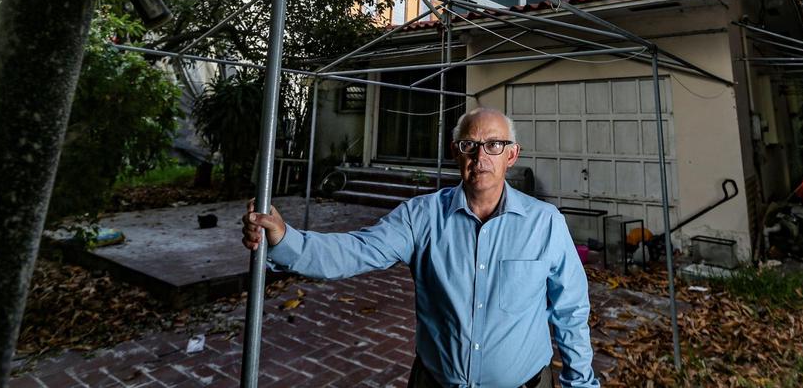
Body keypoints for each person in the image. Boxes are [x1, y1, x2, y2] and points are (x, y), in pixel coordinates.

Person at [242, 106, 599, 388]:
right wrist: (283, 238)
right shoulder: (422, 217)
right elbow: (356, 250)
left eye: (494, 145)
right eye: (469, 145)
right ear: (455, 153)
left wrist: (581, 383)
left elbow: (570, 309)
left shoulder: (545, 222)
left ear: (512, 155)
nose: (481, 156)